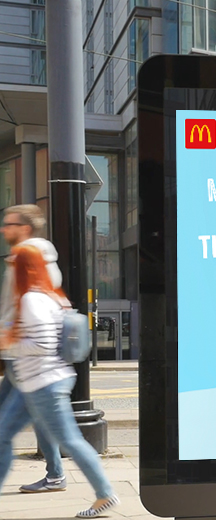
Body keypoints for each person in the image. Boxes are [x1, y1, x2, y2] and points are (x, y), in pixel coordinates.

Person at [0, 245, 120, 517]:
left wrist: (9, 342)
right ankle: (103, 493)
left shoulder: (32, 299)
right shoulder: (50, 295)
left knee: (71, 441)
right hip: (37, 383)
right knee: (3, 434)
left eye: (14, 264)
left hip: (44, 384)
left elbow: (42, 344)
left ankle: (105, 495)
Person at [0, 205, 65, 494]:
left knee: (30, 417)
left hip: (21, 353)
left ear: (24, 228)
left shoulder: (28, 258)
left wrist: (7, 340)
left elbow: (22, 307)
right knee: (33, 416)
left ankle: (56, 475)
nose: (4, 229)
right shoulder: (26, 257)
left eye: (9, 224)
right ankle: (55, 475)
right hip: (16, 353)